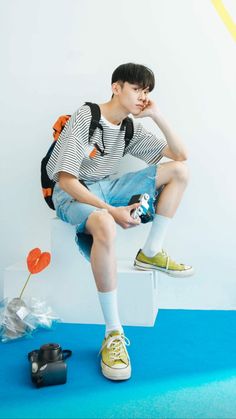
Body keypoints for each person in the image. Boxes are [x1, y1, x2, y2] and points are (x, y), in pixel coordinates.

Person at [47, 62, 194, 382]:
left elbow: (180, 156)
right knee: (103, 223)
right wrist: (110, 211)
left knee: (179, 171)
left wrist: (156, 115)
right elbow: (66, 180)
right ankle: (113, 333)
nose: (143, 96)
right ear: (116, 87)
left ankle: (151, 251)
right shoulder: (86, 116)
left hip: (106, 186)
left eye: (147, 92)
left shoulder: (129, 126)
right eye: (137, 89)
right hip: (72, 195)